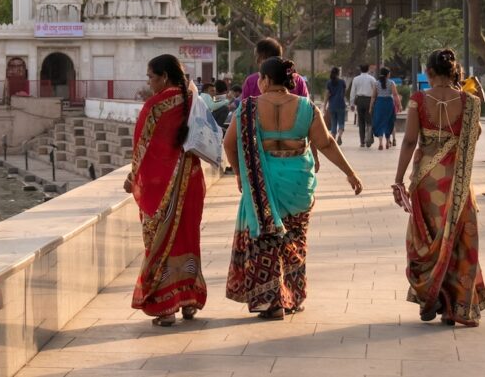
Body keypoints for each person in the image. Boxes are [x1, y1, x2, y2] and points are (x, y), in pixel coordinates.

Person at [224, 57, 363, 320]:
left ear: (264, 80)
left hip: (262, 181)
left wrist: (242, 175)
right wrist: (350, 173)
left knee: (266, 240)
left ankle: (273, 302)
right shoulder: (307, 107)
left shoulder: (247, 108)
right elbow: (327, 143)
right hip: (297, 182)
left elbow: (229, 144)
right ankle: (293, 295)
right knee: (294, 239)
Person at [393, 48, 485, 327]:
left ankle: (430, 297)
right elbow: (475, 136)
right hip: (457, 184)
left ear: (429, 73)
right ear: (454, 72)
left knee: (424, 241)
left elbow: (410, 141)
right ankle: (454, 306)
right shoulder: (469, 102)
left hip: (427, 183)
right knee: (458, 242)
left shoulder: (419, 100)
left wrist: (399, 180)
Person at [124, 54, 207, 326]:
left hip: (163, 189)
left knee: (160, 245)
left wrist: (133, 178)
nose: (149, 83)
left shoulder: (155, 106)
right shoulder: (194, 100)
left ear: (165, 77)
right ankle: (189, 302)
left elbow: (142, 149)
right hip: (191, 181)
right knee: (187, 239)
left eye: (151, 77)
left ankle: (166, 308)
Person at [241, 38, 309, 100]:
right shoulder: (297, 80)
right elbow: (307, 109)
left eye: (257, 56)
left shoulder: (251, 82)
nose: (256, 60)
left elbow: (243, 111)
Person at [370, 67, 398, 150]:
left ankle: (380, 143)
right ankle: (387, 142)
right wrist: (399, 105)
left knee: (379, 122)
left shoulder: (376, 83)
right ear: (387, 74)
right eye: (389, 73)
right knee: (389, 122)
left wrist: (370, 107)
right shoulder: (391, 83)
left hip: (379, 103)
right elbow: (395, 95)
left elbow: (373, 96)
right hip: (389, 103)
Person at [349, 64, 376, 147]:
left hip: (359, 100)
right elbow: (375, 90)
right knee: (369, 120)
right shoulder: (372, 79)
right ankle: (369, 138)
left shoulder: (356, 79)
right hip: (369, 100)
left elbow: (353, 92)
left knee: (361, 121)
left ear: (360, 70)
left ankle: (362, 141)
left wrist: (352, 103)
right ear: (368, 69)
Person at [324, 66, 347, 145]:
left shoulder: (329, 83)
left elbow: (327, 95)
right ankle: (340, 136)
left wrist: (324, 106)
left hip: (332, 105)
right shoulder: (342, 82)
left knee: (333, 123)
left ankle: (333, 140)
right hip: (341, 104)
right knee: (341, 123)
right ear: (338, 73)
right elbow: (344, 93)